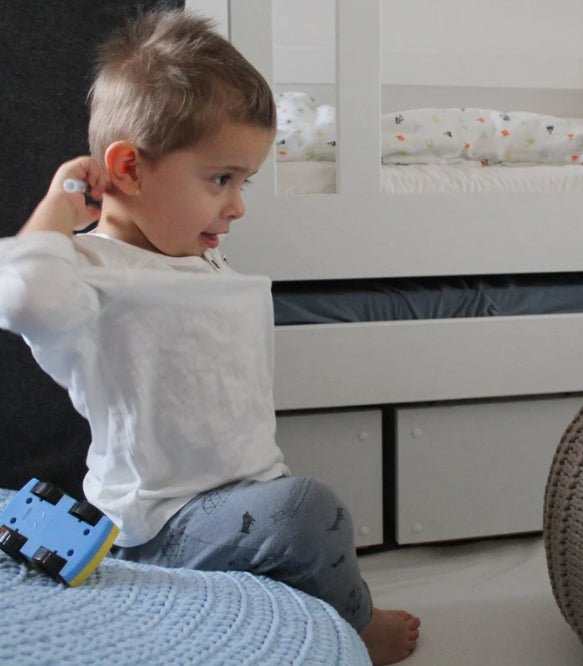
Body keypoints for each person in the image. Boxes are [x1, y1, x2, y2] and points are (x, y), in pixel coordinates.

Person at [0, 10, 419, 664]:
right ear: (129, 171)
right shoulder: (90, 272)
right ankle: (356, 626)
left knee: (291, 510)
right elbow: (25, 297)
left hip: (238, 494)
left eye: (243, 182)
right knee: (308, 508)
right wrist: (58, 206)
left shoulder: (195, 257)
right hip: (158, 524)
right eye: (221, 179)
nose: (238, 206)